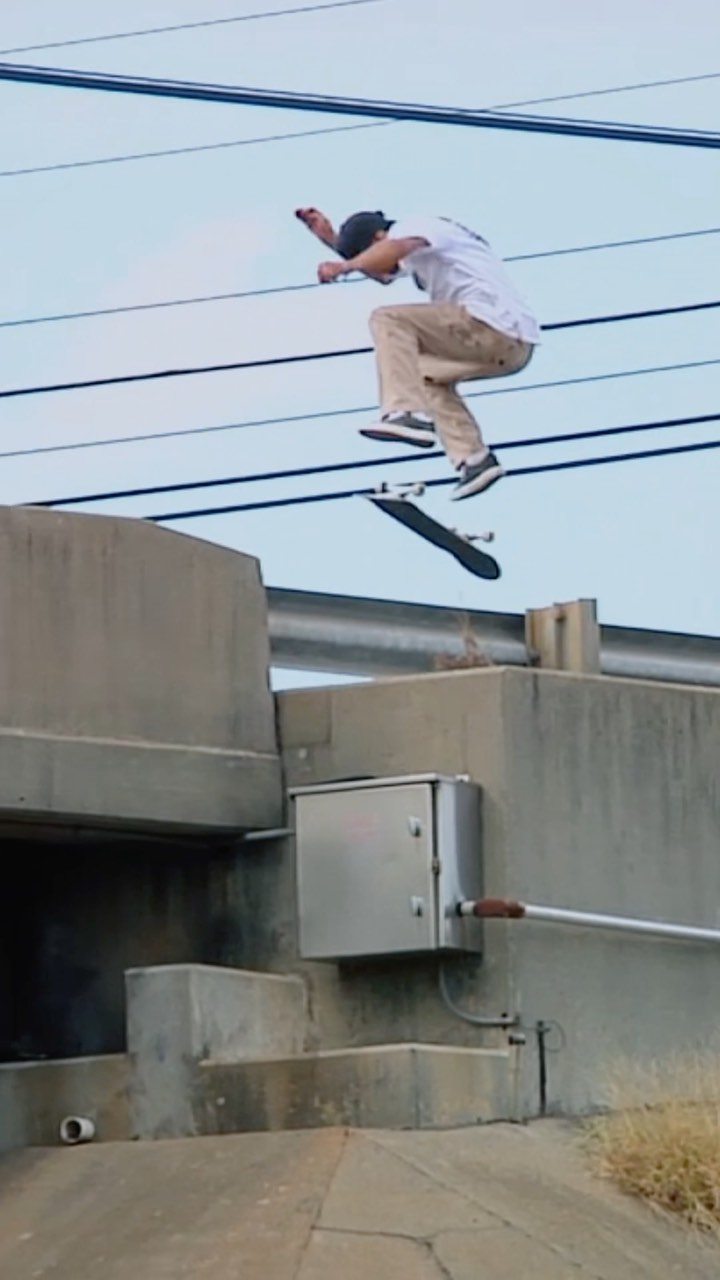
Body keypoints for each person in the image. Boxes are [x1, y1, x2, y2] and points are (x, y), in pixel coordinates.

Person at [296, 207, 540, 500]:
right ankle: (475, 459)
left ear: (379, 236)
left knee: (388, 319)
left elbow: (392, 251)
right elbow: (383, 272)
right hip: (510, 347)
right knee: (421, 375)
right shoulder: (415, 249)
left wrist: (344, 267)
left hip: (489, 324)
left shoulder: (414, 227)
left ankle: (406, 413)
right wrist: (332, 240)